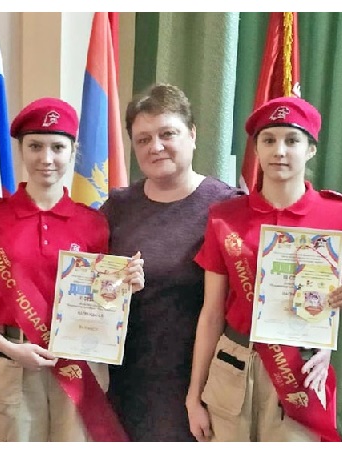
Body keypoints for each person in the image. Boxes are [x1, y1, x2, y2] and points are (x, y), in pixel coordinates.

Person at [186, 96, 342, 442]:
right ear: (256, 149)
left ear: (310, 150)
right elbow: (211, 313)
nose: (280, 151)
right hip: (233, 365)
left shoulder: (340, 216)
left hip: (299, 368)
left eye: (292, 140)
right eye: (269, 140)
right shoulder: (225, 217)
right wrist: (193, 396)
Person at [0, 97, 145, 442]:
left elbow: (104, 300)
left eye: (57, 147)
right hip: (14, 364)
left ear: (72, 152)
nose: (46, 158)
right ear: (21, 150)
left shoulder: (95, 223)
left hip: (78, 365)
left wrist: (127, 284)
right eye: (35, 146)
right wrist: (11, 349)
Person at [99, 84, 244, 441]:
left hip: (200, 384)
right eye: (143, 139)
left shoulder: (228, 207)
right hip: (125, 379)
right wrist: (115, 284)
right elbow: (88, 286)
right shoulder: (117, 207)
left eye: (167, 134)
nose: (155, 146)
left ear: (192, 134)